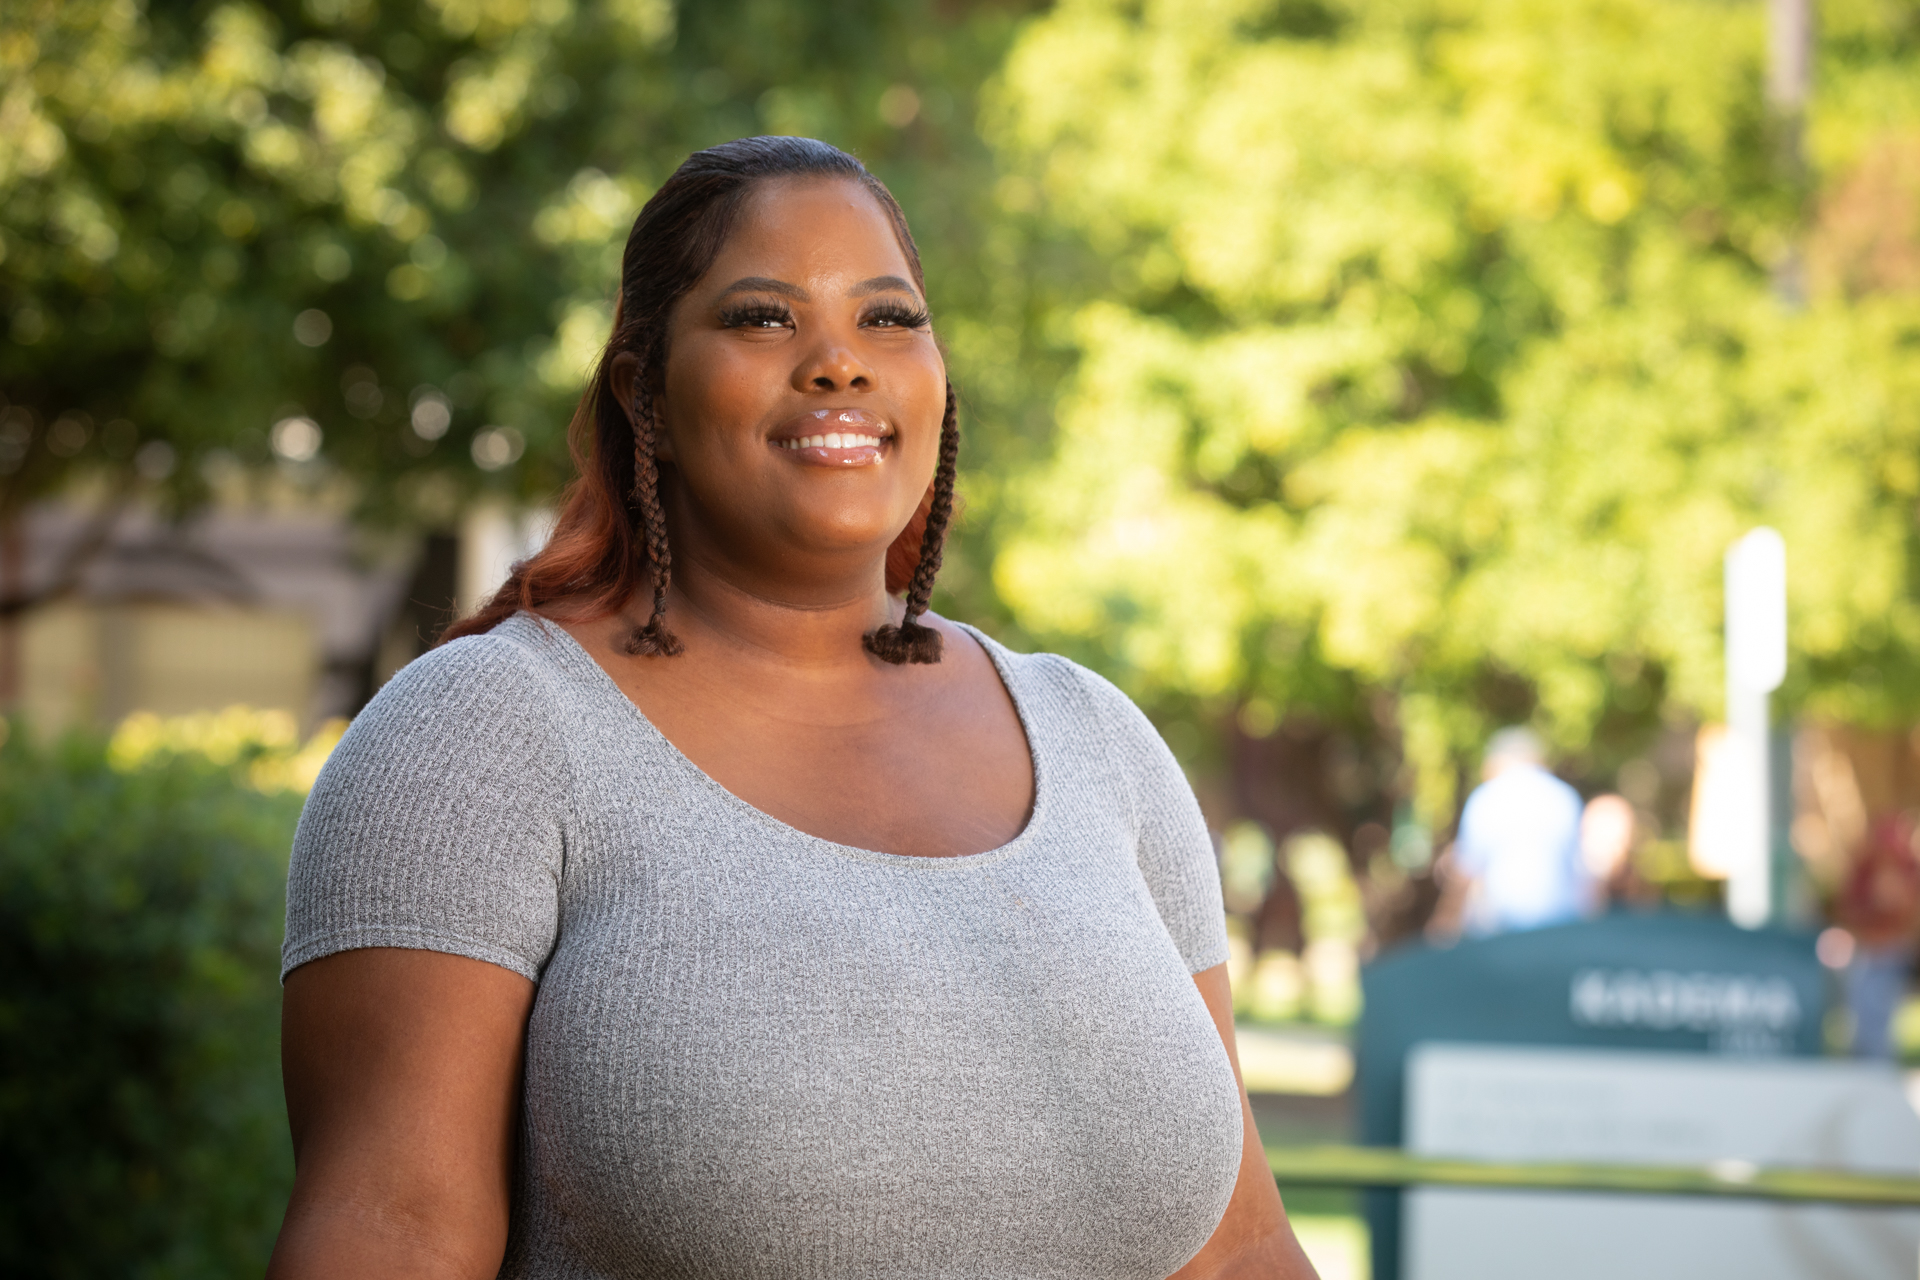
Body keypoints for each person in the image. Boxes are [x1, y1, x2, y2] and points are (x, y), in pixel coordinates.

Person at [268, 137, 1318, 1280]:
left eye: (889, 318)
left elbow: (1240, 1249)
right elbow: (393, 1234)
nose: (839, 363)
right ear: (644, 393)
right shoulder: (481, 738)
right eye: (764, 317)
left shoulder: (1095, 737)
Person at [1431, 727, 1590, 939]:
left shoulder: (1486, 799)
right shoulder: (1566, 798)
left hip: (1503, 933)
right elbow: (1583, 875)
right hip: (1561, 929)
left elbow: (1466, 874)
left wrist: (1442, 926)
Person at [1835, 812, 1920, 1059]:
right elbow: (1847, 909)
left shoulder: (1909, 870)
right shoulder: (1863, 870)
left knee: (1881, 1014)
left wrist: (1898, 901)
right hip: (1867, 950)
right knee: (1862, 1011)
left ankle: (1878, 1067)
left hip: (1894, 951)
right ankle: (1867, 1063)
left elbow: (1910, 916)